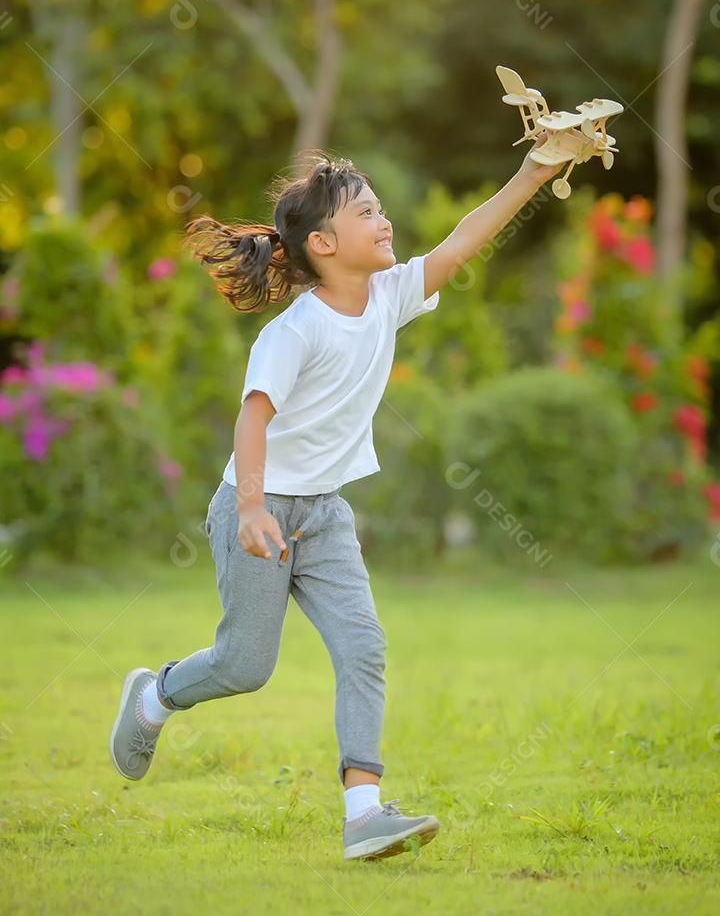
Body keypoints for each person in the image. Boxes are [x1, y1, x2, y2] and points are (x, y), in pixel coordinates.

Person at [109, 146, 561, 861]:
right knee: (245, 665)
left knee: (364, 647)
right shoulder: (295, 331)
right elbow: (252, 417)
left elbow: (464, 239)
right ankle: (154, 696)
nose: (385, 222)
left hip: (324, 514)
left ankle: (364, 815)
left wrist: (535, 173)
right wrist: (254, 509)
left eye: (380, 208)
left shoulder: (388, 296)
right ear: (322, 244)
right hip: (253, 510)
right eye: (367, 213)